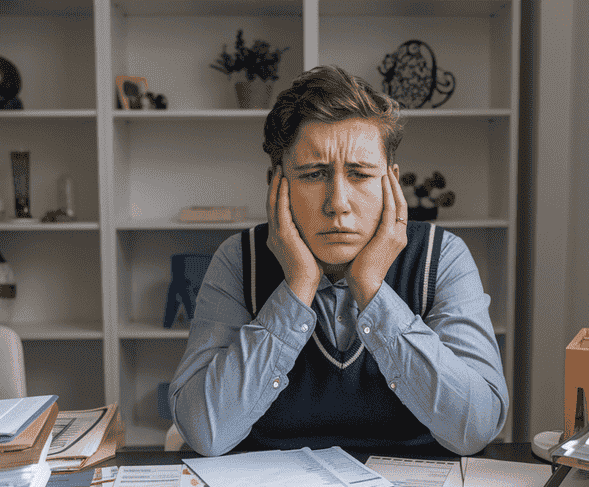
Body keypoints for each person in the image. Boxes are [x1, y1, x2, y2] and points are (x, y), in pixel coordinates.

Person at [169, 65, 508, 456]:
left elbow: (476, 429)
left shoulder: (442, 256)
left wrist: (372, 290)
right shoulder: (238, 259)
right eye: (313, 175)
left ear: (391, 182)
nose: (338, 204)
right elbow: (205, 432)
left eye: (360, 174)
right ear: (277, 183)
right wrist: (297, 287)